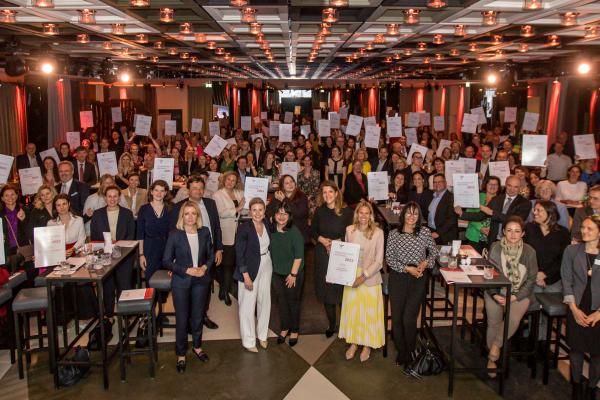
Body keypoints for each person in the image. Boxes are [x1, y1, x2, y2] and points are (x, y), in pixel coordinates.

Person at [385, 201, 439, 368]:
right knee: (397, 317)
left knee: (409, 318)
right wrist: (406, 268)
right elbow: (389, 258)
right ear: (403, 215)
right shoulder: (394, 234)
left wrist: (425, 263)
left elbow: (434, 252)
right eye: (408, 213)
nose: (411, 217)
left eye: (415, 214)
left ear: (419, 217)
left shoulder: (424, 232)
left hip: (419, 277)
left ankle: (410, 350)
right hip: (399, 276)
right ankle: (403, 353)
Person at [163, 201, 214, 373]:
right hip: (181, 282)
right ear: (182, 216)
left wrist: (204, 268)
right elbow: (166, 261)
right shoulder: (174, 234)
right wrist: (186, 270)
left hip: (200, 280)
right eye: (187, 213)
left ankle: (197, 347)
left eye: (194, 213)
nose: (190, 217)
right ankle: (181, 354)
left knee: (198, 316)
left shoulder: (204, 232)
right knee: (182, 318)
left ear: (198, 216)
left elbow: (211, 255)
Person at [484, 216, 537, 377]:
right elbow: (489, 273)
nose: (513, 235)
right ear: (503, 232)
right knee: (493, 321)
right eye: (509, 230)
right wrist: (495, 294)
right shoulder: (495, 247)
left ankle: (494, 348)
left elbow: (531, 279)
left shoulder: (529, 251)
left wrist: (514, 297)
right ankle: (492, 360)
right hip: (496, 291)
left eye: (517, 231)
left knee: (512, 319)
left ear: (523, 234)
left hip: (519, 294)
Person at [170, 176, 223, 330]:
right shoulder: (179, 206)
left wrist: (219, 249)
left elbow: (217, 227)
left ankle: (202, 316)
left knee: (205, 286)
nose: (198, 191)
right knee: (186, 287)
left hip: (207, 254)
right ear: (188, 189)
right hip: (185, 255)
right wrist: (173, 262)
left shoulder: (211, 204)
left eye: (201, 188)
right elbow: (172, 233)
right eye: (194, 188)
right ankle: (187, 320)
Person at [339, 201, 385, 362]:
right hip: (351, 277)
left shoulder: (378, 233)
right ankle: (354, 343)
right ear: (356, 214)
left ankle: (367, 345)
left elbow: (379, 261)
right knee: (353, 312)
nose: (364, 216)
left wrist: (363, 276)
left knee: (368, 313)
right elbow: (345, 255)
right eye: (361, 213)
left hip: (370, 278)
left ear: (371, 215)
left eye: (367, 213)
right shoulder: (349, 230)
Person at [561, 215, 600, 399]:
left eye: (589, 228)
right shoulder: (571, 250)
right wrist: (574, 309)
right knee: (576, 348)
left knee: (597, 352)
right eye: (583, 227)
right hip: (577, 304)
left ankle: (592, 388)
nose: (584, 231)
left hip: (598, 308)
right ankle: (576, 386)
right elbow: (566, 280)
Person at [312, 181, 354, 337]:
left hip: (341, 254)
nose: (327, 195)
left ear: (337, 193)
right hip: (323, 254)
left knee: (341, 291)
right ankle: (331, 324)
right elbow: (313, 231)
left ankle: (345, 324)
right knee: (326, 291)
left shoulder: (347, 212)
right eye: (324, 192)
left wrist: (337, 243)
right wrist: (322, 239)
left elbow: (352, 233)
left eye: (330, 192)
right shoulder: (319, 211)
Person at [90, 185, 136, 315]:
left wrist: (119, 248)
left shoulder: (127, 213)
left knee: (124, 285)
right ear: (105, 198)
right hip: (105, 256)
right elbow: (94, 237)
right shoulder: (97, 214)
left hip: (124, 255)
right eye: (109, 196)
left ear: (119, 197)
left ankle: (126, 316)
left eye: (115, 196)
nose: (112, 199)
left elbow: (131, 235)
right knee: (107, 286)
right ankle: (108, 315)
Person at [234, 198, 272, 352]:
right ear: (250, 212)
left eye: (260, 209)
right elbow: (239, 253)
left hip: (266, 264)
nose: (257, 213)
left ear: (264, 211)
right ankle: (249, 341)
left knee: (265, 301)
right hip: (249, 268)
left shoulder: (267, 224)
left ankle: (262, 335)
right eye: (254, 210)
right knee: (247, 305)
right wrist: (245, 275)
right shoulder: (244, 228)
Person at [459, 175, 532, 244]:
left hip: (511, 241)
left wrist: (492, 213)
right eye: (509, 185)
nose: (512, 189)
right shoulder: (496, 199)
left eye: (516, 187)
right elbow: (480, 216)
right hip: (493, 240)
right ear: (505, 185)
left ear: (520, 188)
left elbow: (515, 221)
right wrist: (461, 213)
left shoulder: (525, 203)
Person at [270, 202, 304, 347]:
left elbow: (299, 256)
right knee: (281, 301)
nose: (282, 217)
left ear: (289, 216)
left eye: (285, 214)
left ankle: (295, 330)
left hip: (293, 273)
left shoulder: (294, 232)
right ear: (274, 216)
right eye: (279, 213)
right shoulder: (271, 230)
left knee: (293, 301)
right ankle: (285, 328)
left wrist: (293, 274)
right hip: (276, 272)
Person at [212, 171, 245, 305]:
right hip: (225, 233)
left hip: (238, 232)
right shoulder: (217, 195)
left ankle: (223, 290)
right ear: (224, 180)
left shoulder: (239, 193)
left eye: (233, 180)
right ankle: (225, 292)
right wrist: (238, 208)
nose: (230, 182)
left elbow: (246, 208)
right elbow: (221, 213)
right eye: (228, 179)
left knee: (231, 263)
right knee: (227, 264)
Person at [137, 180, 173, 285]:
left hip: (167, 248)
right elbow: (140, 234)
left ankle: (163, 300)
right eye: (156, 190)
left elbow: (176, 233)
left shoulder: (171, 208)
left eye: (162, 191)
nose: (159, 193)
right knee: (151, 281)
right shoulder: (144, 209)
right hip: (149, 249)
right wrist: (141, 254)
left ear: (166, 193)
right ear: (151, 192)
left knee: (166, 281)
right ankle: (152, 301)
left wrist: (175, 254)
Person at [456, 176, 501, 253]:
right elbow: (469, 215)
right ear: (485, 185)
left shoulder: (501, 200)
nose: (492, 186)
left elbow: (499, 217)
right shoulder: (477, 196)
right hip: (474, 234)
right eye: (490, 184)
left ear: (499, 186)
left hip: (491, 236)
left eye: (495, 184)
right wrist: (480, 228)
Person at [267, 175, 310, 241]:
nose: (290, 184)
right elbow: (268, 209)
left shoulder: (302, 196)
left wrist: (284, 200)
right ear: (282, 186)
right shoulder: (279, 195)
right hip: (281, 232)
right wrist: (271, 217)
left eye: (292, 181)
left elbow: (299, 213)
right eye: (287, 183)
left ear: (295, 183)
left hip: (298, 233)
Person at [427, 173, 458, 245]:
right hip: (432, 232)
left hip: (445, 235)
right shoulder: (432, 196)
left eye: (440, 181)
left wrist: (438, 233)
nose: (437, 184)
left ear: (445, 183)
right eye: (435, 182)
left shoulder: (451, 197)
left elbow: (452, 219)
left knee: (444, 256)